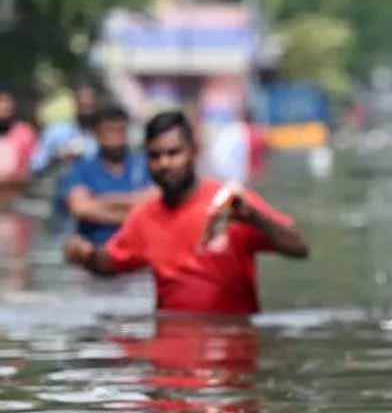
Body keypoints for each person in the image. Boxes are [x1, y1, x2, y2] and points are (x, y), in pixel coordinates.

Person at [63, 110, 309, 314]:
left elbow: (299, 248)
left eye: (173, 153)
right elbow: (110, 263)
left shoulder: (229, 202)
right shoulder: (145, 216)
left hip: (230, 354)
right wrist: (85, 255)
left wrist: (256, 219)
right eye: (155, 156)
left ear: (193, 151)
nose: (164, 163)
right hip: (169, 353)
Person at [61, 105, 154, 246]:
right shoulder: (82, 168)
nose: (116, 138)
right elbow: (81, 208)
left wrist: (99, 199)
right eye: (109, 131)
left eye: (121, 130)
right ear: (96, 134)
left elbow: (155, 202)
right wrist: (134, 209)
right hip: (97, 248)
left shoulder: (144, 164)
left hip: (138, 248)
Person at [31, 81, 99, 176]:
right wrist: (57, 157)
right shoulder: (55, 133)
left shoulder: (109, 135)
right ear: (74, 104)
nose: (87, 111)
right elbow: (36, 167)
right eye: (83, 105)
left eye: (90, 106)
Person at [0, 87, 38, 193]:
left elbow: (33, 167)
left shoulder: (25, 133)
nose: (4, 106)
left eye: (7, 101)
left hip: (16, 193)